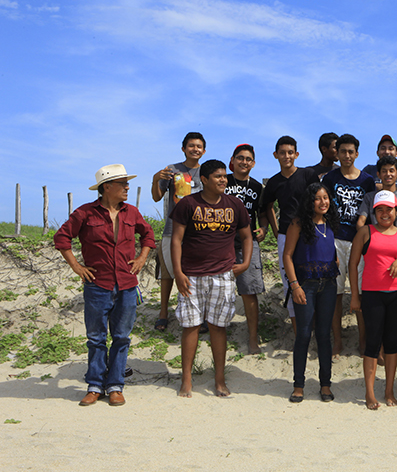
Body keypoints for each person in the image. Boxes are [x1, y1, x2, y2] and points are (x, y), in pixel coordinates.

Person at [55, 164, 155, 406]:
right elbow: (62, 238)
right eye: (123, 184)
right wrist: (77, 267)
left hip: (127, 285)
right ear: (107, 187)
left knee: (121, 337)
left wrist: (141, 258)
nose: (127, 187)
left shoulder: (132, 212)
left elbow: (148, 235)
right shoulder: (85, 213)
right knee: (96, 338)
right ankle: (95, 385)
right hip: (97, 285)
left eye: (127, 183)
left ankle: (115, 386)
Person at [170, 159, 253, 398]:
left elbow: (247, 236)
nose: (223, 180)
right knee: (191, 326)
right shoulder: (188, 204)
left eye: (224, 176)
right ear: (204, 180)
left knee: (218, 326)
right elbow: (176, 239)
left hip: (223, 274)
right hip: (191, 275)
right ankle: (186, 379)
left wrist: (245, 263)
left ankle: (219, 379)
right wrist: (178, 273)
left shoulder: (235, 204)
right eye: (217, 176)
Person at [282, 183, 340, 403]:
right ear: (310, 201)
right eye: (317, 198)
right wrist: (295, 285)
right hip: (305, 285)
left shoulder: (330, 222)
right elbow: (287, 256)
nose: (323, 202)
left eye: (326, 197)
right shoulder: (297, 223)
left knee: (324, 335)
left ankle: (325, 385)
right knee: (304, 334)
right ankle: (298, 385)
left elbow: (330, 250)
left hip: (329, 284)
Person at [349, 191, 397, 410]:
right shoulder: (365, 232)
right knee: (372, 343)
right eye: (380, 209)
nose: (385, 213)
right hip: (372, 294)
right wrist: (355, 295)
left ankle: (389, 391)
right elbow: (353, 264)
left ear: (396, 211)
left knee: (392, 343)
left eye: (389, 209)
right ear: (374, 212)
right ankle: (370, 393)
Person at [322, 133, 377, 355]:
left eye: (350, 151)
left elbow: (372, 213)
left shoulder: (367, 181)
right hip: (335, 240)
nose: (347, 155)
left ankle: (363, 341)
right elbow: (323, 209)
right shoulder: (330, 179)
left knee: (361, 292)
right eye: (342, 151)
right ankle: (337, 341)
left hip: (359, 242)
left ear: (357, 154)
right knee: (334, 293)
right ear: (337, 153)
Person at [261, 136, 320, 328]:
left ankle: (314, 327)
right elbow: (267, 206)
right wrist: (276, 231)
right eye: (282, 153)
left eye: (290, 152)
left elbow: (319, 200)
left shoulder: (308, 175)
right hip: (286, 234)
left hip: (310, 234)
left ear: (296, 154)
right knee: (289, 280)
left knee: (313, 277)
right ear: (275, 155)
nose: (286, 156)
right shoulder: (273, 182)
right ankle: (298, 331)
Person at [151, 132, 206, 332]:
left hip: (198, 232)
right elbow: (157, 197)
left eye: (199, 146)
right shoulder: (172, 170)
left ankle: (197, 314)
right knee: (167, 273)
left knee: (195, 273)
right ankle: (163, 313)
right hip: (172, 229)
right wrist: (155, 179)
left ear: (204, 151)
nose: (195, 149)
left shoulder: (206, 172)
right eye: (191, 146)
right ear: (183, 148)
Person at [225, 144, 268, 354]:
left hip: (247, 243)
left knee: (249, 291)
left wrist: (264, 228)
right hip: (221, 243)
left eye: (248, 159)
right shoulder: (223, 181)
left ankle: (252, 339)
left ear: (253, 163)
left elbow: (263, 213)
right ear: (232, 160)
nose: (244, 162)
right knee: (218, 291)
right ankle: (216, 332)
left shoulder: (258, 187)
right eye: (240, 158)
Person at [356, 155, 397, 232]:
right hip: (375, 237)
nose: (388, 174)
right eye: (384, 171)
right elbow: (360, 222)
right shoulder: (369, 197)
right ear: (378, 175)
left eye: (391, 171)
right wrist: (366, 237)